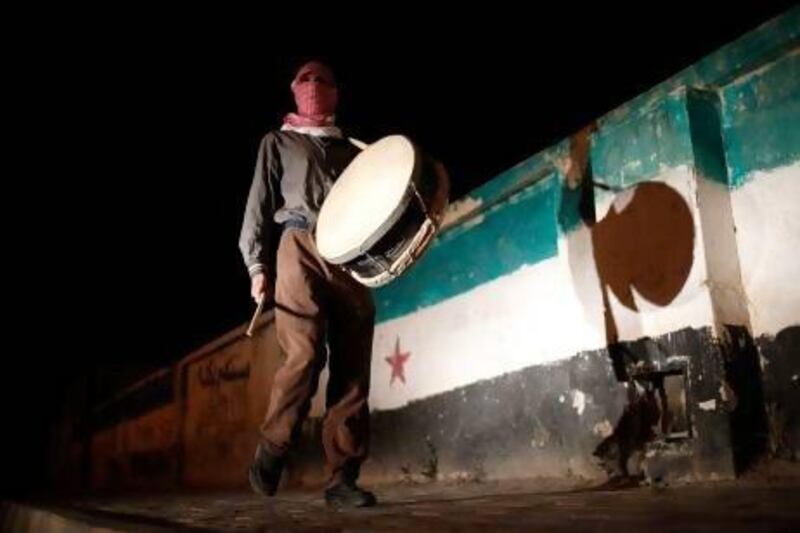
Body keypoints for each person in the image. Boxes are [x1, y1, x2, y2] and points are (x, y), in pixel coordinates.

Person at [238, 60, 377, 508]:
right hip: (298, 244)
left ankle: (343, 477)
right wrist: (257, 267)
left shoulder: (356, 151)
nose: (314, 86)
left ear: (337, 92)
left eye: (323, 80)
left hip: (350, 251)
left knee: (353, 363)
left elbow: (381, 202)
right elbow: (258, 205)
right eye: (305, 80)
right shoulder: (278, 141)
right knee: (304, 351)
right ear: (293, 91)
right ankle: (274, 446)